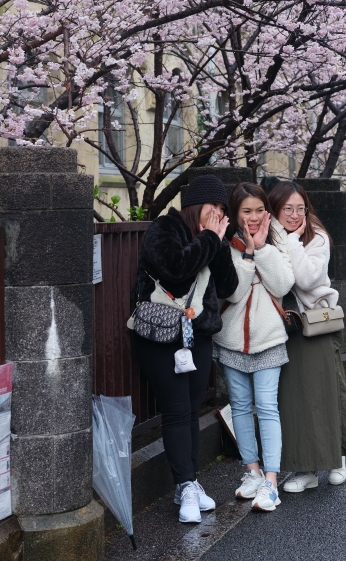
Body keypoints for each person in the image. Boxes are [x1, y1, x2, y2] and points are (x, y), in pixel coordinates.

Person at [131, 174, 238, 524]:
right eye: (213, 206)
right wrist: (209, 237)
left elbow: (228, 285)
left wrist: (219, 244)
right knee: (176, 409)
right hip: (162, 335)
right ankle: (187, 484)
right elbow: (175, 270)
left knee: (191, 409)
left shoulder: (214, 237)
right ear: (195, 205)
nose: (219, 214)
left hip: (198, 335)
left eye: (224, 209)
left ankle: (186, 484)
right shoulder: (165, 230)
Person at [267, 181, 346, 493]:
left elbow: (303, 278)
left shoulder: (316, 238)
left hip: (315, 323)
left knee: (323, 394)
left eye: (299, 208)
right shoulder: (267, 235)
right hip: (284, 325)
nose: (293, 214)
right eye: (287, 208)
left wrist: (290, 241)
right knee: (294, 400)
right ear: (275, 208)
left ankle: (335, 459)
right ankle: (304, 469)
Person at [214, 181, 294, 513]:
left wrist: (261, 249)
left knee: (268, 408)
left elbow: (283, 284)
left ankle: (271, 482)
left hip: (269, 339)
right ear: (235, 214)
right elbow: (232, 293)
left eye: (260, 210)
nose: (255, 217)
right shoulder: (224, 248)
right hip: (232, 341)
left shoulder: (276, 243)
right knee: (241, 408)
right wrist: (247, 255)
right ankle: (252, 472)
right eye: (247, 211)